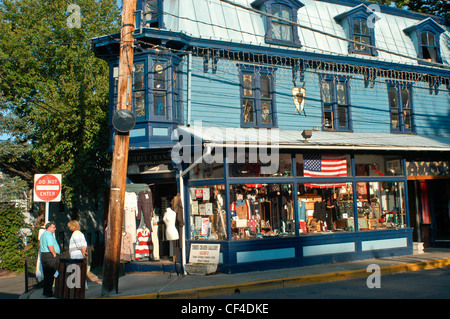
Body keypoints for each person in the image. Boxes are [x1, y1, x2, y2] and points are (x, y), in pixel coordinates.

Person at [39, 222, 60, 297]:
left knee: (46, 274)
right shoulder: (49, 235)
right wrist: (54, 253)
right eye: (53, 227)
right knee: (51, 274)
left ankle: (45, 290)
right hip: (50, 256)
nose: (55, 229)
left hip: (44, 255)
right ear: (49, 227)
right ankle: (49, 292)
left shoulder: (43, 235)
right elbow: (50, 246)